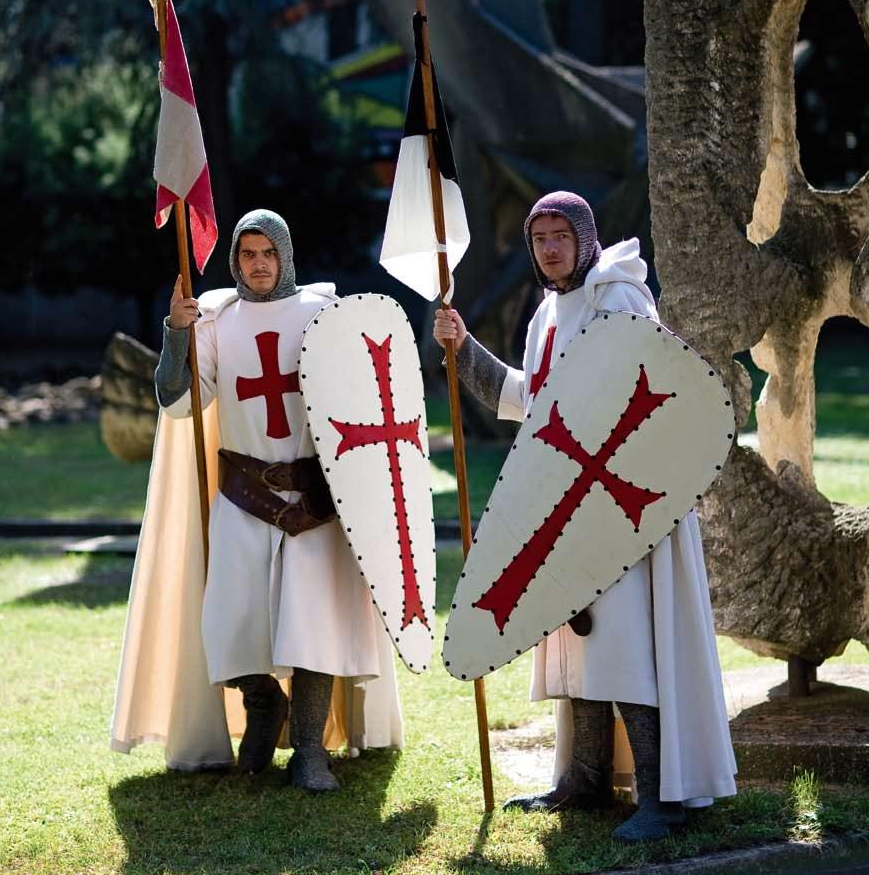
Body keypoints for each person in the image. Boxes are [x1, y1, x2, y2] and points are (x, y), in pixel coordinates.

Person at [434, 191, 736, 840]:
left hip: (621, 506)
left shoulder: (617, 298)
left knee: (627, 646)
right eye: (538, 236)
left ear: (583, 237)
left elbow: (653, 396)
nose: (547, 247)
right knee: (578, 647)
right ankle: (584, 781)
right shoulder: (549, 312)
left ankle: (661, 797)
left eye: (558, 235)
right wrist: (463, 350)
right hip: (564, 507)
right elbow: (528, 399)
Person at [115, 208, 400, 787]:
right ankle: (265, 704)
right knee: (232, 622)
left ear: (285, 255)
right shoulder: (218, 323)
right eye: (247, 254)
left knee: (314, 624)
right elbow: (180, 403)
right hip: (244, 494)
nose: (259, 264)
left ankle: (310, 753)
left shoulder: (324, 315)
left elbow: (364, 398)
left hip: (316, 499)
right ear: (235, 261)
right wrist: (176, 334)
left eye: (267, 253)